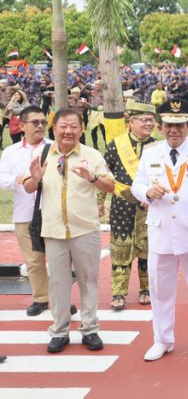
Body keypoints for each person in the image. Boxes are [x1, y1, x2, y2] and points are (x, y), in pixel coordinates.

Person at [131, 98, 188, 363]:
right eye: (169, 125)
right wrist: (147, 191)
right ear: (160, 127)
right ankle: (162, 339)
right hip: (161, 232)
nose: (174, 130)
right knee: (160, 290)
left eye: (180, 125)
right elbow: (136, 186)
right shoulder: (150, 152)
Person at [23, 109, 115, 354]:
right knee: (58, 283)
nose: (68, 131)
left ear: (81, 129)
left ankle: (90, 328)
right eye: (63, 126)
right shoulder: (42, 154)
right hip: (53, 231)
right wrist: (34, 178)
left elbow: (111, 185)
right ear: (54, 129)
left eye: (74, 126)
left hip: (85, 229)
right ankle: (60, 331)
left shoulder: (92, 155)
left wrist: (93, 177)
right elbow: (28, 187)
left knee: (89, 280)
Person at [102, 101, 157, 310]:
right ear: (131, 121)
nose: (149, 124)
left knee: (148, 249)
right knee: (120, 248)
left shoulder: (156, 147)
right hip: (121, 204)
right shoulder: (116, 145)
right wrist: (100, 202)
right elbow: (105, 174)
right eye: (144, 120)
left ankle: (146, 288)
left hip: (149, 205)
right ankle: (118, 292)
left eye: (151, 120)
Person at [0, 106, 51, 316]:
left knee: (59, 260)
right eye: (35, 122)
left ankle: (61, 299)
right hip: (24, 214)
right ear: (21, 126)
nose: (40, 126)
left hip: (53, 213)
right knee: (33, 261)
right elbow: (2, 178)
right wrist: (19, 179)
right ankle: (41, 298)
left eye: (43, 122)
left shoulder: (55, 147)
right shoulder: (11, 152)